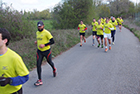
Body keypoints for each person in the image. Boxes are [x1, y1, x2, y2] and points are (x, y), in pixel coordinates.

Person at [0, 28, 29, 94]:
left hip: (13, 92)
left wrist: (9, 81)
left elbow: (25, 77)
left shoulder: (14, 58)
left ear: (5, 41)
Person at [34, 21, 57, 86]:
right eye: (38, 26)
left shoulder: (46, 33)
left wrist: (44, 45)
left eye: (40, 26)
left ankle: (54, 69)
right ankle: (39, 80)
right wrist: (37, 42)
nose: (39, 27)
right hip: (39, 51)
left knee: (49, 62)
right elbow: (40, 39)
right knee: (38, 64)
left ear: (43, 26)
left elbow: (52, 41)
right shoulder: (37, 32)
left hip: (47, 51)